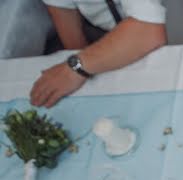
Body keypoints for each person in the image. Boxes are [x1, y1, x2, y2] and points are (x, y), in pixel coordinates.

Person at [32, 0, 167, 108]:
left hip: (170, 23)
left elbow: (148, 30)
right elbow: (63, 12)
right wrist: (80, 72)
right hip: (112, 32)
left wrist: (75, 68)